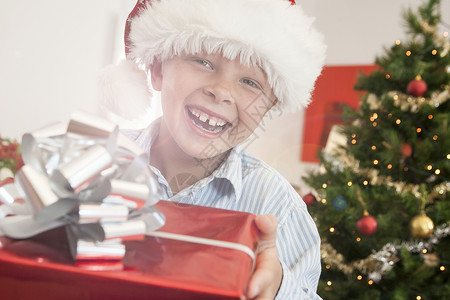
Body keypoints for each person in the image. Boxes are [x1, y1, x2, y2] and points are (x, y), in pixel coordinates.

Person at [100, 0, 326, 299]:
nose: (221, 91)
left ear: (268, 106)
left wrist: (277, 289)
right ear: (157, 69)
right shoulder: (93, 161)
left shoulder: (278, 206)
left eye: (249, 82)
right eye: (203, 62)